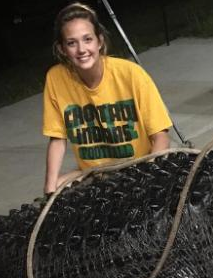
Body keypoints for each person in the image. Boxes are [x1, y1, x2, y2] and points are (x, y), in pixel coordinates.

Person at [42, 2, 172, 194]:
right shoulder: (55, 78)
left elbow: (161, 137)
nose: (81, 49)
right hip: (94, 173)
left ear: (99, 41)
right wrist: (49, 188)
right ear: (62, 49)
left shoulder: (131, 74)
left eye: (87, 39)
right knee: (58, 187)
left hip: (139, 167)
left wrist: (147, 174)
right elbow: (57, 140)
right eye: (72, 43)